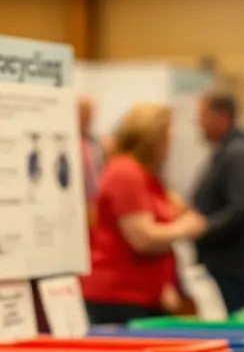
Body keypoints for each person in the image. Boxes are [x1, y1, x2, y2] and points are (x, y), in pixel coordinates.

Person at [82, 103, 208, 324]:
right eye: (168, 134)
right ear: (153, 138)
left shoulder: (144, 174)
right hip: (119, 297)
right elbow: (142, 237)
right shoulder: (126, 172)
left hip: (142, 296)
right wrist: (185, 227)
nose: (172, 140)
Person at [191, 92, 244, 313]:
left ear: (221, 117)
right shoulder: (228, 151)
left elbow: (242, 208)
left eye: (203, 116)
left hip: (230, 266)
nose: (199, 124)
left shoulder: (237, 154)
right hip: (225, 262)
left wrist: (203, 226)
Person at [78, 96, 104, 221]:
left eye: (90, 113)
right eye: (84, 112)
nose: (88, 117)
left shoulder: (93, 142)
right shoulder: (77, 144)